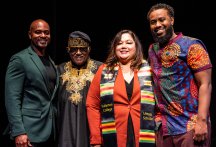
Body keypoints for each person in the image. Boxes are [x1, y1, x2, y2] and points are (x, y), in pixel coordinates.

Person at [147, 3, 212, 147]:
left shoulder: (191, 46)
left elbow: (205, 84)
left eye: (162, 20)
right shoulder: (152, 50)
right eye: (153, 22)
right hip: (164, 127)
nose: (158, 25)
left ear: (172, 20)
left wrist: (201, 121)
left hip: (189, 125)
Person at [86, 29, 155, 147]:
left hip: (142, 131)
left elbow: (159, 102)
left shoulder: (148, 70)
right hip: (114, 133)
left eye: (128, 43)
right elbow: (92, 104)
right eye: (119, 43)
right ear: (114, 47)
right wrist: (96, 139)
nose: (123, 46)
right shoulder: (104, 70)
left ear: (136, 46)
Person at [4, 19, 59, 147]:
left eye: (46, 32)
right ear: (30, 35)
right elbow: (12, 98)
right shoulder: (20, 59)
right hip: (29, 132)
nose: (43, 36)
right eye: (38, 32)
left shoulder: (49, 60)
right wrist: (19, 131)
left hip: (50, 130)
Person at [57, 31, 102, 147]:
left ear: (89, 49)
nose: (78, 53)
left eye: (82, 49)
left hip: (90, 128)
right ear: (68, 50)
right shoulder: (60, 70)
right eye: (73, 49)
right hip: (65, 128)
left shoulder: (100, 69)